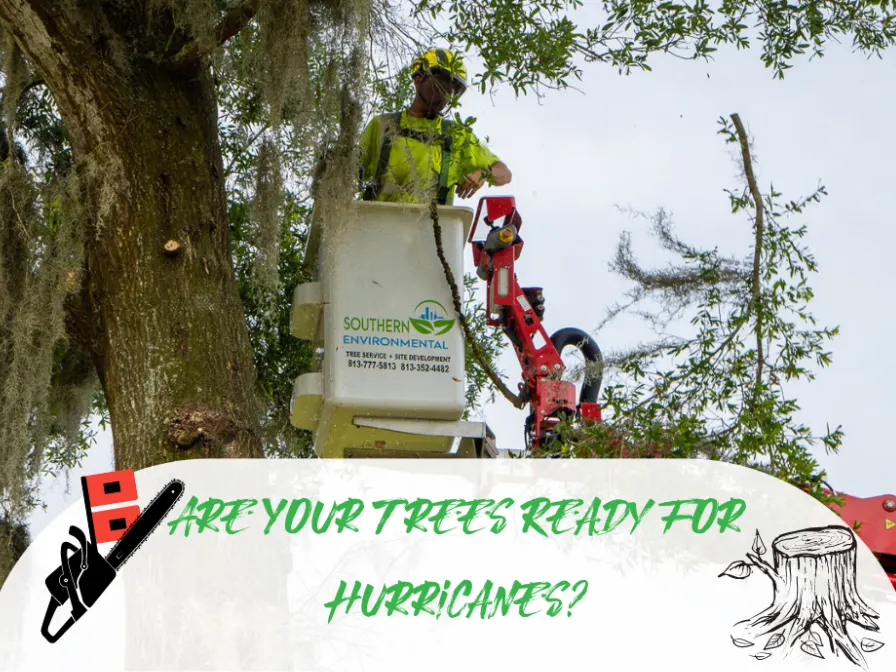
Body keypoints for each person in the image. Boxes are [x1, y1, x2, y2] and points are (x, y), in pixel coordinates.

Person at [359, 48, 512, 205]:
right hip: (377, 224)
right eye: (440, 85)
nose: (445, 95)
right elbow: (347, 170)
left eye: (451, 90)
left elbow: (504, 173)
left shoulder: (456, 136)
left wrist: (483, 174)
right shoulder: (383, 126)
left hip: (431, 226)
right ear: (418, 80)